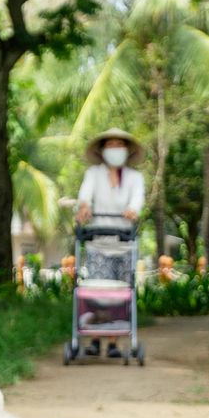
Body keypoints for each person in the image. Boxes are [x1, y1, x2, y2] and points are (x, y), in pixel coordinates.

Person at [75, 130, 145, 356]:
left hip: (124, 243)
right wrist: (84, 207)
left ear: (126, 150)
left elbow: (137, 201)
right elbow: (85, 196)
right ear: (103, 150)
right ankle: (94, 338)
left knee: (120, 294)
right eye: (110, 144)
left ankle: (114, 341)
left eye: (119, 144)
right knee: (97, 292)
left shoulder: (135, 178)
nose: (115, 148)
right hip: (98, 242)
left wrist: (132, 211)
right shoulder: (93, 174)